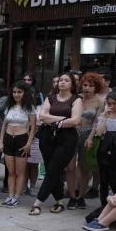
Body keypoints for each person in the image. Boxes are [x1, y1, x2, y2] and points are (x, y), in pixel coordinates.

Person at [29, 72, 83, 216]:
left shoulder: (76, 99)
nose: (62, 82)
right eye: (60, 80)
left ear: (72, 84)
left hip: (67, 138)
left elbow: (76, 120)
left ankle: (37, 203)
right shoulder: (50, 98)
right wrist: (63, 119)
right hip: (47, 136)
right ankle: (59, 201)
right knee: (52, 170)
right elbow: (42, 116)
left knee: (53, 170)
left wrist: (53, 120)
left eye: (66, 80)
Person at [0, 81, 37, 208]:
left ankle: (17, 197)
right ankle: (10, 196)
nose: (16, 94)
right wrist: (1, 142)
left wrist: (29, 143)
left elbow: (33, 127)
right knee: (11, 171)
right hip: (9, 138)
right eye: (14, 92)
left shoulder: (30, 108)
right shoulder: (9, 106)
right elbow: (4, 125)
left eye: (19, 92)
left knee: (20, 172)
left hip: (22, 139)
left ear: (25, 93)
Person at [89, 92, 116, 208]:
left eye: (114, 103)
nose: (111, 106)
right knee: (103, 179)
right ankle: (103, 205)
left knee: (114, 179)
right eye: (109, 103)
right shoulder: (103, 115)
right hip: (104, 148)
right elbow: (99, 133)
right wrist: (106, 117)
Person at [71, 73, 104, 209]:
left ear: (96, 87)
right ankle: (73, 193)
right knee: (71, 166)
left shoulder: (100, 101)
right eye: (85, 85)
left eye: (91, 86)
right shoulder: (76, 98)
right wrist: (74, 125)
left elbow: (97, 122)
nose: (87, 88)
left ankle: (81, 196)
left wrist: (91, 137)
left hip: (88, 134)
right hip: (73, 133)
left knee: (84, 166)